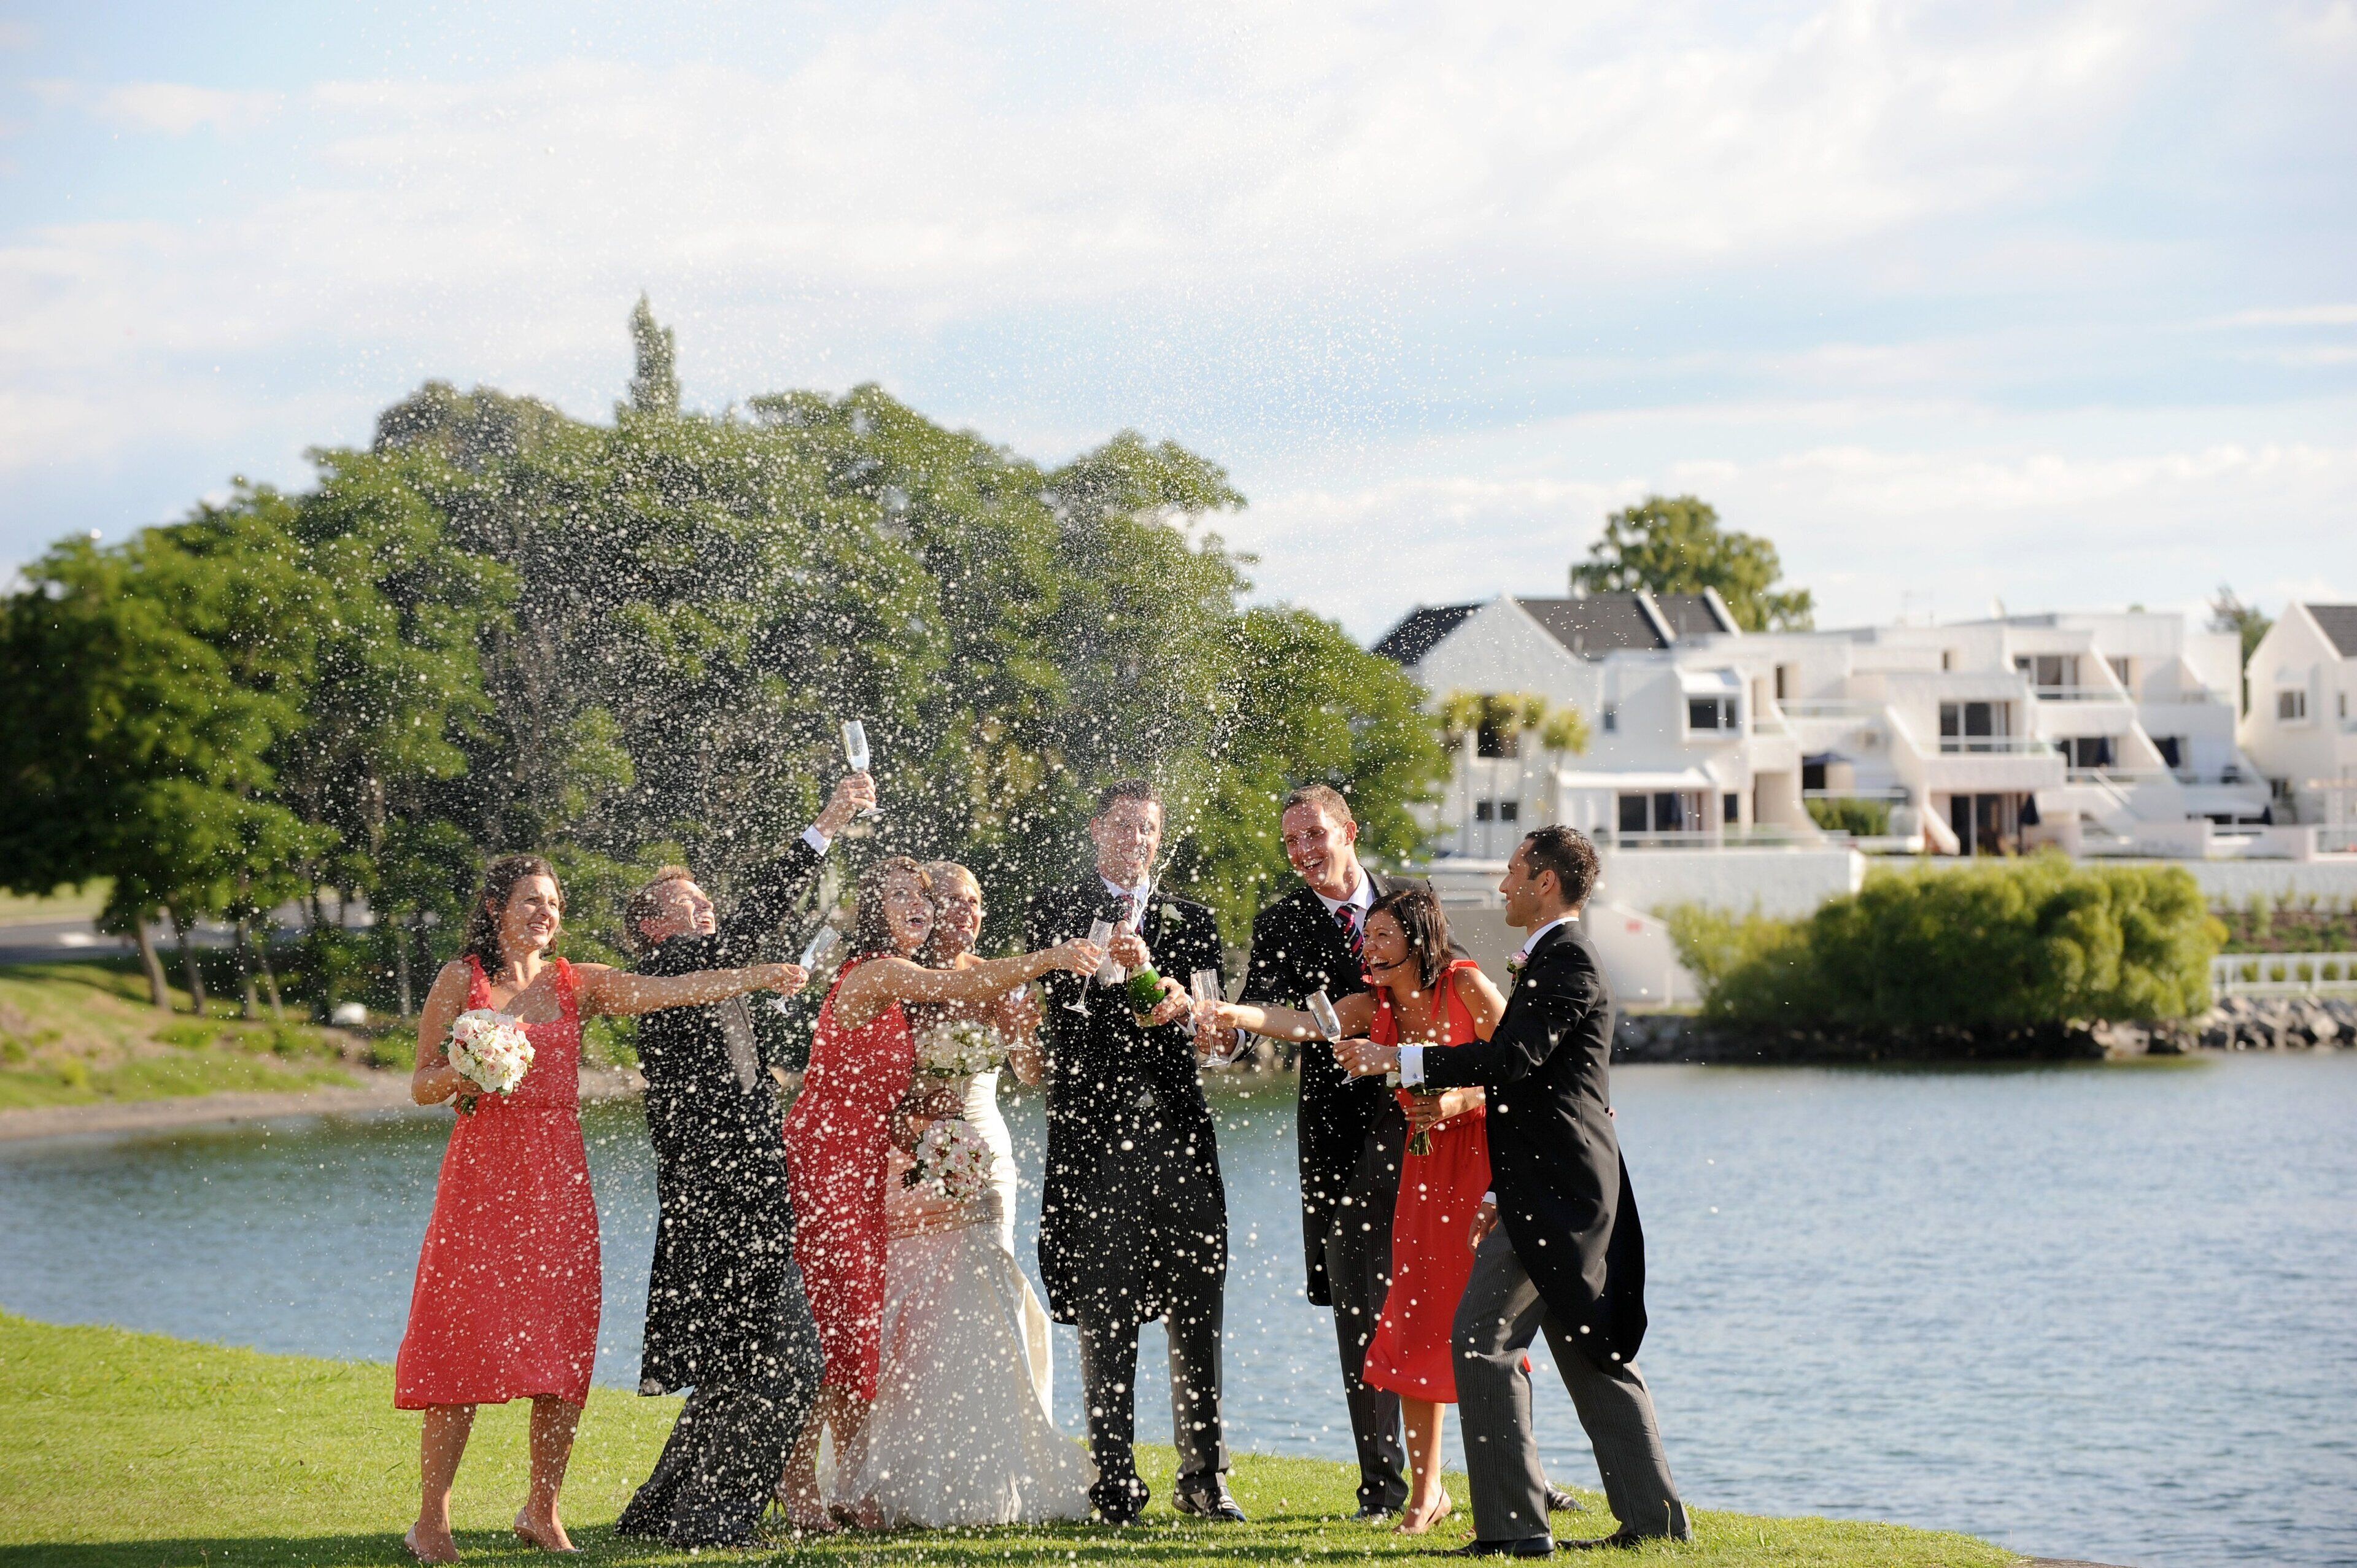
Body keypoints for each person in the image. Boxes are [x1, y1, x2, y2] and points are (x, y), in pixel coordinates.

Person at [395, 854, 804, 1564]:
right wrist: (471, 1067)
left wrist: (758, 975)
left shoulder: (573, 981)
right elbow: (422, 1083)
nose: (544, 913)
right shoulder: (463, 979)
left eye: (552, 902)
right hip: (483, 1182)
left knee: (561, 1344)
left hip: (558, 1180)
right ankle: (432, 1520)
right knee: (463, 1339)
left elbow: (671, 989)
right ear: (496, 907)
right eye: (529, 901)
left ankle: (542, 1508)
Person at [1337, 827, 1692, 1553]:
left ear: (1546, 883)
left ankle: (1514, 1530)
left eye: (1512, 872)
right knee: (1586, 1344)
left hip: (1563, 1193)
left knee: (1481, 1339)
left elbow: (1509, 1058)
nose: (1502, 885)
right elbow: (1527, 1089)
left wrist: (1395, 1058)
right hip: (1546, 1186)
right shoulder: (1553, 960)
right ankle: (1653, 1522)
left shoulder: (1568, 961)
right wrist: (1499, 1190)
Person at [780, 857, 1101, 1530]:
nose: (951, 910)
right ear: (878, 909)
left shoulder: (926, 978)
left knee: (902, 1315)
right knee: (860, 1321)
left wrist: (1016, 1040)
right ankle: (810, 1476)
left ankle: (903, 1472)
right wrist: (1054, 955)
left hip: (954, 1150)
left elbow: (1015, 1069)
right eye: (914, 896)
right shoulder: (893, 975)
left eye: (959, 898)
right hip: (856, 1163)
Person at [611, 770, 873, 1550]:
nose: (709, 908)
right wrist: (825, 822)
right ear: (655, 928)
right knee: (791, 1359)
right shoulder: (664, 973)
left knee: (743, 1361)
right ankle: (713, 1519)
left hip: (743, 1190)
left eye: (705, 901)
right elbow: (761, 911)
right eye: (692, 904)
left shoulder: (709, 981)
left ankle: (665, 1513)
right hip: (722, 1198)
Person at [1206, 885, 1505, 1535]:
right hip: (1422, 1173)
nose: (1366, 950)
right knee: (1417, 1322)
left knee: (1489, 1329)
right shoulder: (1375, 1005)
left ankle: (1519, 1481)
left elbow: (1527, 1065)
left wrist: (1456, 1103)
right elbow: (1301, 1024)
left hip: (1479, 1170)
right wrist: (1226, 1010)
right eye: (1366, 938)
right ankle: (1427, 1495)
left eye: (1380, 939)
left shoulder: (1467, 985)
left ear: (1418, 941)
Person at [1024, 779, 1242, 1526]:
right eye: (1124, 825)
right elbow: (1042, 1014)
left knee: (1197, 1306)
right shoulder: (1052, 910)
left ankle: (1205, 1477)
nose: (1138, 839)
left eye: (1150, 828)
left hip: (1181, 1137)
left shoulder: (1194, 917)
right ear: (1096, 830)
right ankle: (1114, 1481)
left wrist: (1197, 1014)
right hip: (1092, 1140)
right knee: (1105, 1311)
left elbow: (1218, 1045)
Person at [1232, 782, 1430, 1520]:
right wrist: (1232, 1029)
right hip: (1340, 1143)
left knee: (1459, 1308)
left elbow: (1455, 997)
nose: (1304, 851)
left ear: (1348, 828)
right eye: (1291, 842)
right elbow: (1263, 1015)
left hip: (1430, 1127)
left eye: (1314, 833)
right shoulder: (1282, 921)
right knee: (1365, 1314)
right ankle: (1382, 1488)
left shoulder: (1414, 900)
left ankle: (1510, 1473)